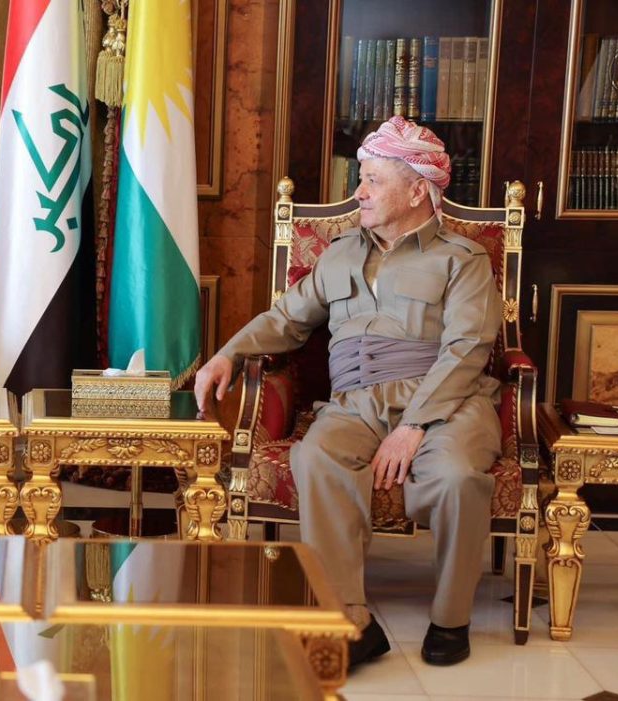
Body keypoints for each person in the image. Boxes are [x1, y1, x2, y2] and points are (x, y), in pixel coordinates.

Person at [195, 116, 501, 668]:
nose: (358, 192)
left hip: (445, 400)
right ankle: (349, 622)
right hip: (355, 402)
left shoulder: (462, 259)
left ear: (417, 190)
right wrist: (228, 354)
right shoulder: (338, 254)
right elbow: (287, 320)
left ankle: (450, 618)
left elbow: (466, 349)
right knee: (317, 455)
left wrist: (413, 426)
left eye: (373, 180)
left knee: (457, 478)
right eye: (361, 178)